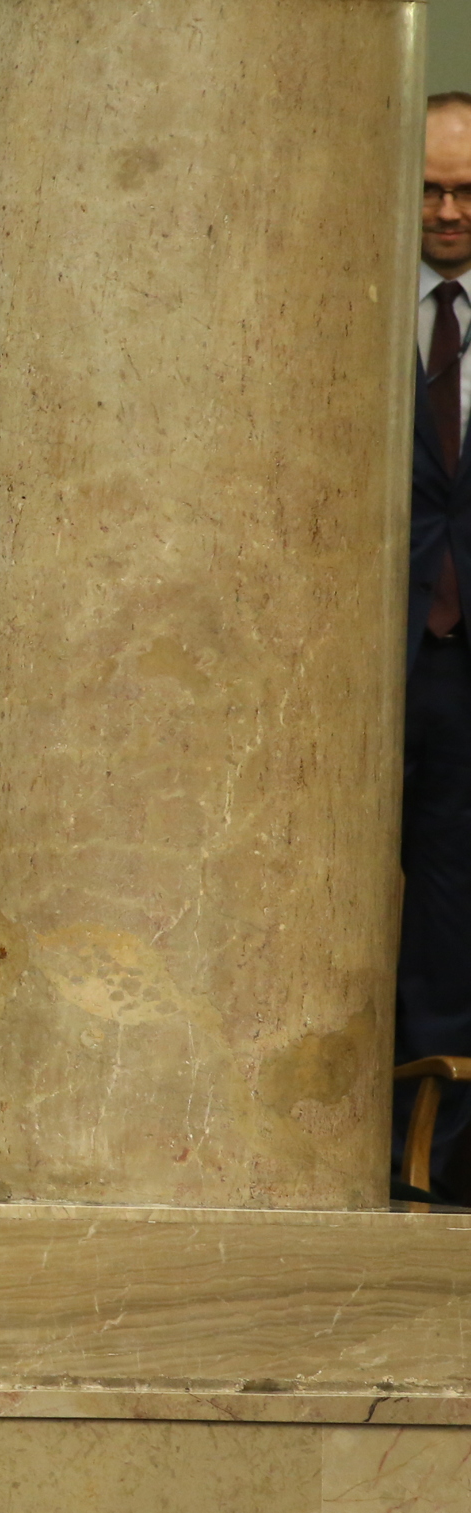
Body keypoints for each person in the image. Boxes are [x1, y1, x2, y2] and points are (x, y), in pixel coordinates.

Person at [396, 92, 471, 1201]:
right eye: (427, 186)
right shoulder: (344, 298)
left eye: (465, 190)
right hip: (369, 653)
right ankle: (407, 1146)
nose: (449, 209)